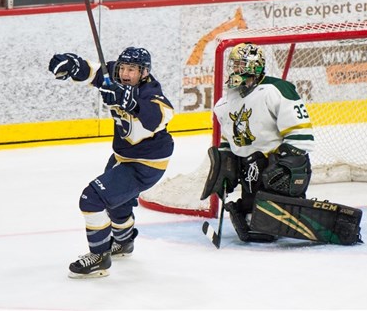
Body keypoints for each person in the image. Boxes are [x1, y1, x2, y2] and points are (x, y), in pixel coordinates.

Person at [48, 47, 174, 278]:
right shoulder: (116, 77)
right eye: (123, 68)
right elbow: (95, 72)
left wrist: (131, 102)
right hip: (122, 156)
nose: (125, 74)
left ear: (144, 72)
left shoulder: (151, 93)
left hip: (146, 164)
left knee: (92, 198)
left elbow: (160, 116)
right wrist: (74, 66)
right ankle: (124, 242)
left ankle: (99, 256)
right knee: (117, 204)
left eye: (132, 70)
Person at [200, 42, 315, 242]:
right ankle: (255, 209)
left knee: (268, 216)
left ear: (255, 65)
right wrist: (226, 164)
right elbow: (228, 137)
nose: (235, 70)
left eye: (241, 65)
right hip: (250, 167)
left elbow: (300, 135)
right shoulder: (226, 102)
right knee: (255, 223)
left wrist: (288, 164)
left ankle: (289, 205)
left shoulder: (276, 89)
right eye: (234, 65)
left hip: (278, 165)